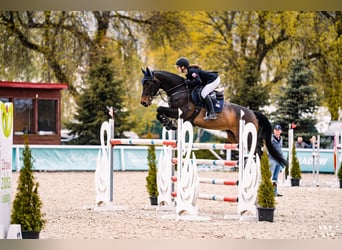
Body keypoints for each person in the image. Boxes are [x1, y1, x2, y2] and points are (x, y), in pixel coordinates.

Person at [268, 124, 285, 197]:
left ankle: (274, 191)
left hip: (278, 160)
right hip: (271, 159)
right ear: (274, 130)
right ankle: (267, 191)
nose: (277, 131)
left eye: (278, 130)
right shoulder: (270, 138)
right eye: (275, 130)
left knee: (275, 177)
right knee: (269, 175)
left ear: (280, 131)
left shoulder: (281, 138)